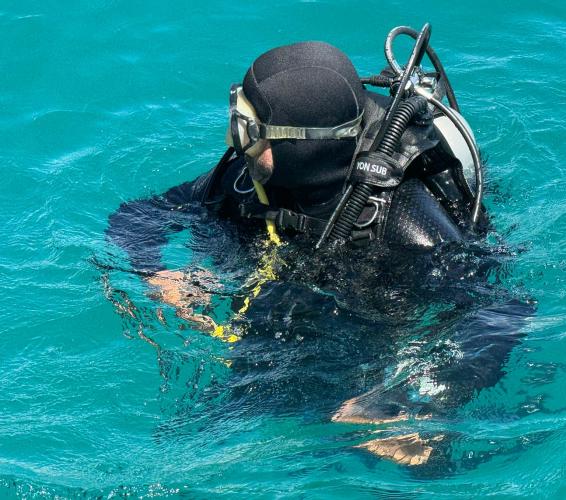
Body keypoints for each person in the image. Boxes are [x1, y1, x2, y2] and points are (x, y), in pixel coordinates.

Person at [107, 34, 525, 466]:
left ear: (300, 146)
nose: (235, 141)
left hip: (368, 340)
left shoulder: (408, 228)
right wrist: (155, 273)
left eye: (248, 129)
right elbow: (137, 218)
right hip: (289, 304)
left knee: (418, 466)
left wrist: (414, 405)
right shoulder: (246, 179)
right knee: (183, 440)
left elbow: (499, 314)